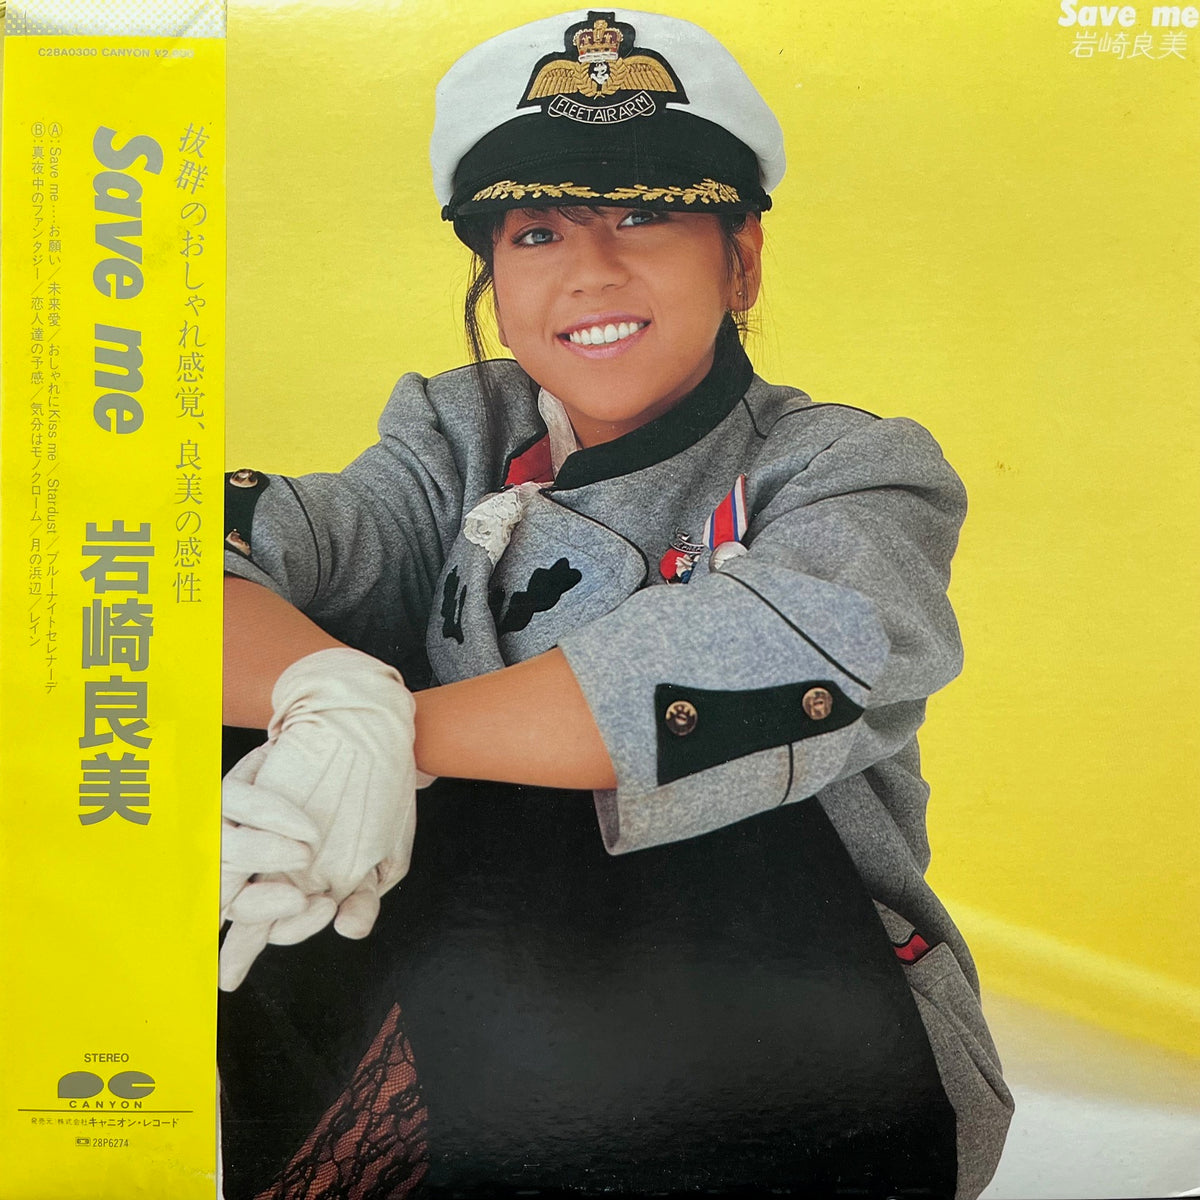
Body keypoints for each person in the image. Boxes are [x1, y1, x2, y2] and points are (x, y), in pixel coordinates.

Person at [217, 10, 1013, 1199]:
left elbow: (752, 670)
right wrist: (323, 699)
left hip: (802, 1050)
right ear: (496, 279)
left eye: (646, 214)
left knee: (541, 773)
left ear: (741, 260)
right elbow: (162, 557)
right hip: (491, 1042)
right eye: (538, 231)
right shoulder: (456, 437)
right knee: (196, 708)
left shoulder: (851, 468)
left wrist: (373, 740)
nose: (591, 268)